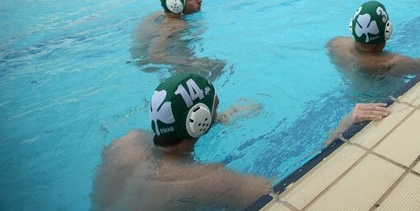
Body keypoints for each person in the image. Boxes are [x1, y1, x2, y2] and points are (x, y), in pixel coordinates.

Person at [92, 73, 390, 210]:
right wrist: (342, 128)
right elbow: (297, 191)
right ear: (198, 120)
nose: (219, 110)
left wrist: (227, 116)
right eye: (216, 107)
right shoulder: (203, 180)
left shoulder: (125, 143)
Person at [130, 0, 226, 81]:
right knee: (217, 66)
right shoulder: (176, 26)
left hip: (139, 56)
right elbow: (154, 55)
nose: (200, 0)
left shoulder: (156, 15)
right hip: (147, 62)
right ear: (175, 4)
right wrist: (187, 62)